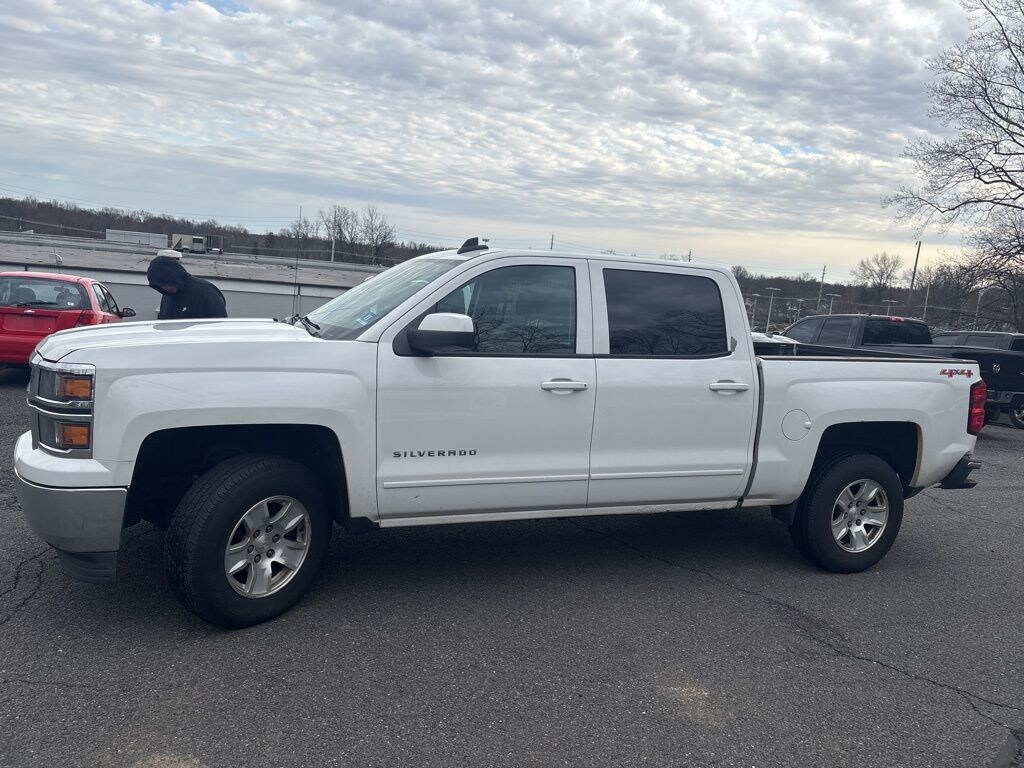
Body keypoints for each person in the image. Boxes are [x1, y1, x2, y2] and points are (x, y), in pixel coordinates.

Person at [147, 255, 228, 320]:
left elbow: (220, 326)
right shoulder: (167, 297)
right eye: (161, 286)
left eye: (167, 283)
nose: (165, 288)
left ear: (174, 276)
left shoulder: (206, 292)